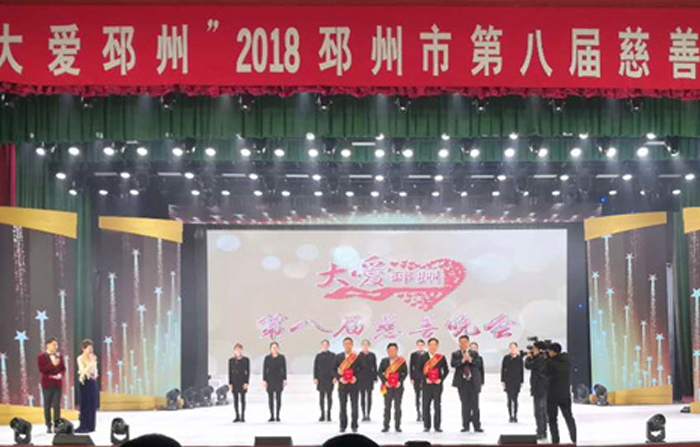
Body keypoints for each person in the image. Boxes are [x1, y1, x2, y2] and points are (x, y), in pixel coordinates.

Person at [545, 343, 577, 444]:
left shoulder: (551, 362)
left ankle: (555, 441)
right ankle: (574, 438)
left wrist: (546, 359)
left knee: (552, 420)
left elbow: (544, 371)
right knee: (569, 417)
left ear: (553, 352)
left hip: (552, 395)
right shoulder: (566, 361)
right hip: (565, 394)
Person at [451, 335, 482, 433]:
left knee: (475, 405)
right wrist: (462, 361)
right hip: (462, 383)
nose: (463, 344)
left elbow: (478, 364)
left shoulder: (474, 353)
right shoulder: (456, 354)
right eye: (461, 342)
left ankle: (477, 426)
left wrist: (471, 360)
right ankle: (466, 426)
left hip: (473, 382)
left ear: (468, 343)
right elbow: (453, 364)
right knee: (465, 405)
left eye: (465, 342)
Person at [37, 337, 66, 433]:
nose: (56, 346)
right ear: (48, 345)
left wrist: (60, 375)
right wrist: (52, 364)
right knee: (47, 406)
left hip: (57, 384)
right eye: (54, 344)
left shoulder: (59, 355)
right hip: (47, 384)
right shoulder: (41, 356)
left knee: (57, 405)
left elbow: (63, 368)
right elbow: (42, 370)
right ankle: (48, 425)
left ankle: (57, 425)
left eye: (56, 345)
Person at [377, 342, 408, 432]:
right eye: (390, 350)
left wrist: (400, 381)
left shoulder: (401, 361)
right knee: (387, 407)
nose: (392, 351)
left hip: (398, 387)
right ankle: (386, 426)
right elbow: (379, 372)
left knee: (397, 407)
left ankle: (397, 426)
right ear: (387, 351)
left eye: (394, 350)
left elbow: (405, 373)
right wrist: (385, 382)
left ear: (397, 350)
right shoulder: (384, 361)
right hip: (387, 387)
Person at [335, 337, 363, 433]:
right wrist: (340, 378)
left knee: (354, 406)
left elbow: (363, 369)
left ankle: (354, 425)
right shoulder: (338, 357)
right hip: (342, 385)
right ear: (343, 345)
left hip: (354, 385)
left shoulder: (357, 357)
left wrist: (356, 377)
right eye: (346, 344)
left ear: (352, 345)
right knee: (342, 406)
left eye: (349, 344)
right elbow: (333, 370)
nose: (347, 345)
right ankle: (342, 426)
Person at [422, 337, 449, 433]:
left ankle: (437, 426)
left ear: (437, 346)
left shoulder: (441, 357)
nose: (433, 347)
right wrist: (425, 379)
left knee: (437, 406)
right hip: (426, 385)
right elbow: (418, 371)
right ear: (428, 346)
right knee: (426, 405)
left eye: (435, 345)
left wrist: (440, 379)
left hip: (437, 385)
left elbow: (446, 370)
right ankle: (427, 426)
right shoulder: (423, 357)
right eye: (431, 345)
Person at [524, 341, 549, 440]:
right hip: (541, 387)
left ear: (539, 349)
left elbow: (528, 366)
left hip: (540, 388)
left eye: (534, 348)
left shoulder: (540, 359)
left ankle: (541, 432)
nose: (532, 350)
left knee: (539, 412)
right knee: (541, 411)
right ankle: (542, 431)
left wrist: (528, 358)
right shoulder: (543, 358)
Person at [76, 339, 98, 433]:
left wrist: (95, 374)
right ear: (83, 349)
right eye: (88, 348)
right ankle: (84, 425)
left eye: (91, 348)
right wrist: (91, 363)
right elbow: (83, 371)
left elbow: (95, 370)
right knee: (85, 404)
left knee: (92, 403)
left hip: (92, 381)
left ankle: (91, 425)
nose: (90, 351)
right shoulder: (80, 358)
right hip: (84, 381)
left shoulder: (93, 357)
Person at [263, 341, 287, 422]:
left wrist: (284, 379)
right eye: (273, 347)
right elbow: (264, 369)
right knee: (270, 399)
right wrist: (264, 380)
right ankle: (272, 416)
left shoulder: (281, 357)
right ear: (270, 349)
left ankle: (278, 415)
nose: (274, 349)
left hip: (279, 379)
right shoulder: (267, 358)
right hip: (269, 379)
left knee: (278, 398)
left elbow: (284, 368)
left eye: (276, 347)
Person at [501, 342, 524, 423]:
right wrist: (503, 380)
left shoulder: (519, 358)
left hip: (516, 381)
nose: (512, 349)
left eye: (514, 347)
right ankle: (510, 415)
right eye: (511, 347)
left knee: (515, 399)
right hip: (508, 381)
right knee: (509, 399)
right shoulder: (506, 358)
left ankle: (515, 415)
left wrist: (521, 381)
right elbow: (503, 369)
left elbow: (521, 370)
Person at [314, 339, 336, 422]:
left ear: (328, 346)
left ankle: (329, 414)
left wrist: (335, 377)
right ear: (321, 346)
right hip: (321, 378)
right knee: (321, 397)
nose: (325, 346)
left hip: (330, 378)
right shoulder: (318, 356)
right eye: (323, 345)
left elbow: (335, 367)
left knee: (329, 396)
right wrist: (315, 378)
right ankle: (322, 414)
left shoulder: (333, 355)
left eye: (326, 345)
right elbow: (315, 367)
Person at [228, 343, 250, 422]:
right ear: (234, 351)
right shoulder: (231, 361)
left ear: (241, 350)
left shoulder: (246, 360)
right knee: (235, 399)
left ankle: (243, 416)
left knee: (242, 399)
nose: (238, 351)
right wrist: (230, 383)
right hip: (234, 382)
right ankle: (237, 415)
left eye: (239, 349)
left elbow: (247, 372)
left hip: (242, 381)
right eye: (236, 350)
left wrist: (246, 382)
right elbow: (230, 372)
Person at [357, 339, 377, 421]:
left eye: (366, 344)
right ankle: (363, 414)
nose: (365, 346)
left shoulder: (372, 355)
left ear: (369, 345)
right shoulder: (359, 355)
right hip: (361, 378)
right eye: (364, 344)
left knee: (369, 396)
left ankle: (368, 414)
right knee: (362, 396)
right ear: (362, 345)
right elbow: (356, 367)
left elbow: (374, 366)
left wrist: (375, 377)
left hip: (369, 377)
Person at [409, 339, 428, 422]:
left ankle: (425, 413)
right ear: (417, 345)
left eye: (421, 345)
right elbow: (411, 366)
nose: (420, 346)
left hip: (425, 377)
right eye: (419, 345)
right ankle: (418, 413)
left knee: (425, 396)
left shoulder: (427, 354)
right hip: (416, 377)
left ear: (424, 345)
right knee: (417, 396)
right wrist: (411, 378)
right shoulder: (413, 355)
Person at [469, 341, 484, 429]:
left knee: (475, 404)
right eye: (472, 348)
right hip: (466, 384)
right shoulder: (465, 356)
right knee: (467, 405)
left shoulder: (479, 358)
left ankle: (476, 423)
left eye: (475, 348)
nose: (473, 349)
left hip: (475, 383)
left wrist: (481, 383)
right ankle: (467, 422)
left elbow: (481, 371)